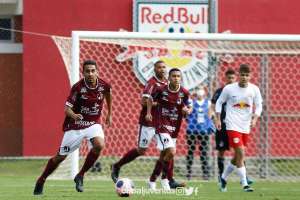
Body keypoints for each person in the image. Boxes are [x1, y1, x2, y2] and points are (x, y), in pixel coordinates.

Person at [33, 60, 112, 195]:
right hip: (75, 126)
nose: (90, 73)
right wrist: (74, 115)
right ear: (83, 73)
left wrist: (109, 114)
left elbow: (108, 95)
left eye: (93, 71)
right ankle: (41, 179)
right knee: (60, 157)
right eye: (87, 71)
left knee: (99, 145)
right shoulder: (78, 88)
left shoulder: (104, 85)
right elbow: (67, 109)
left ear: (97, 71)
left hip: (93, 123)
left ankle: (80, 175)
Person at [111, 61, 184, 189]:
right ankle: (117, 165)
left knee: (168, 149)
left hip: (162, 123)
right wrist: (161, 103)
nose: (162, 69)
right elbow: (144, 101)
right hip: (148, 123)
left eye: (163, 67)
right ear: (154, 69)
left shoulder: (169, 83)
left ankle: (167, 179)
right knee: (141, 150)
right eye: (159, 67)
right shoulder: (151, 83)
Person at [215, 64, 262, 192]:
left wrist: (255, 118)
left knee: (237, 156)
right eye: (242, 75)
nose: (244, 77)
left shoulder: (254, 89)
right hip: (231, 124)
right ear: (238, 75)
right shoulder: (229, 89)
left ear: (250, 76)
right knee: (241, 151)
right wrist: (218, 118)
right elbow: (219, 102)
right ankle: (244, 183)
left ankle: (223, 178)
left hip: (245, 125)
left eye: (247, 75)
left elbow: (259, 105)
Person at [145, 68, 192, 190]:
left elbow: (189, 107)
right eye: (173, 76)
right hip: (161, 125)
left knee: (164, 156)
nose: (176, 78)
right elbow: (150, 99)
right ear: (169, 78)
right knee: (171, 151)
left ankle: (152, 180)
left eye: (178, 76)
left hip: (175, 127)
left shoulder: (184, 93)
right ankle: (165, 179)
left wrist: (187, 111)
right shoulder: (161, 90)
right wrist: (149, 113)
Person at [186, 86, 215, 180]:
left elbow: (211, 115)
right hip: (192, 130)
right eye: (198, 90)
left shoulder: (208, 102)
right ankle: (188, 172)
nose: (200, 92)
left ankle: (205, 174)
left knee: (204, 152)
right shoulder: (191, 102)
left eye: (201, 90)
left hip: (204, 131)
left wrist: (211, 122)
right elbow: (188, 111)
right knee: (191, 151)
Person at [211, 69, 236, 179]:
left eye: (232, 78)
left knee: (239, 150)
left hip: (235, 126)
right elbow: (212, 106)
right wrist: (215, 119)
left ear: (235, 78)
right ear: (225, 78)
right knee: (221, 151)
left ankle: (243, 177)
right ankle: (221, 176)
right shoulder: (220, 91)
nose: (230, 80)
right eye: (229, 78)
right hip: (222, 126)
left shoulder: (240, 92)